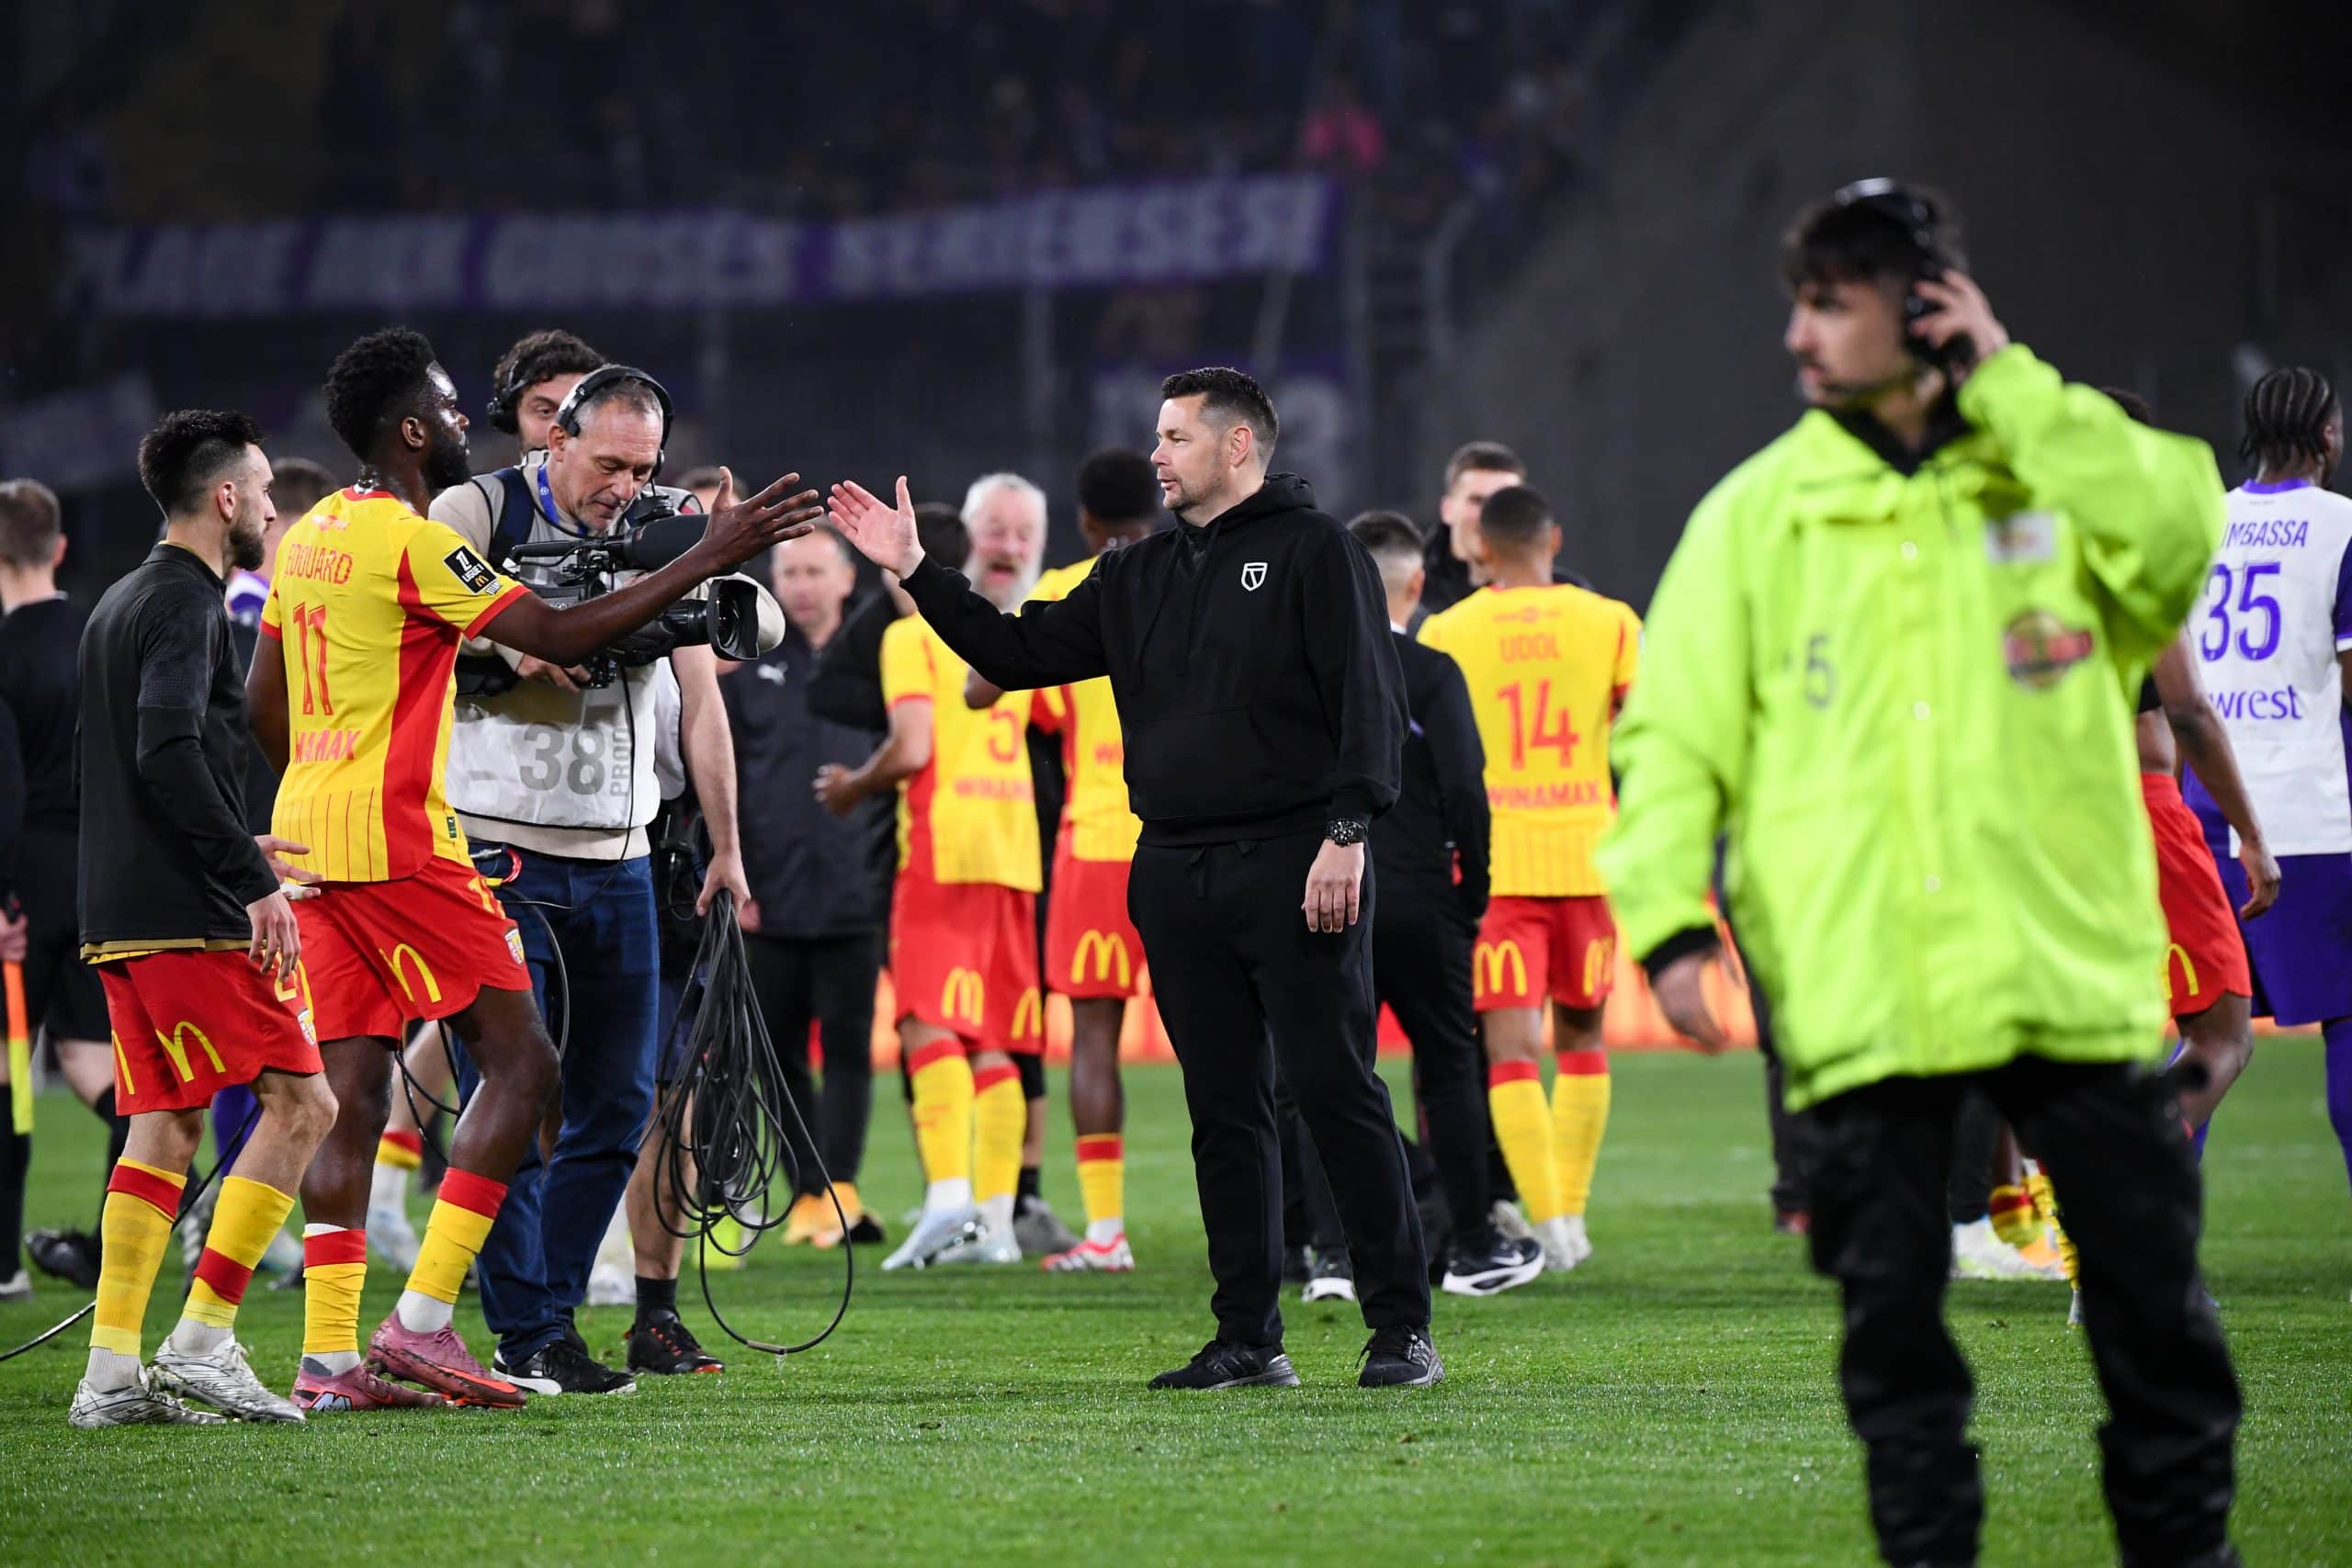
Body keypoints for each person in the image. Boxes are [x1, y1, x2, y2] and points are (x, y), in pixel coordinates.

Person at [1597, 180, 2241, 1564]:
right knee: (1895, 1363)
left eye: (1830, 302)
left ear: (1928, 306)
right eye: (1800, 302)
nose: (1798, 336)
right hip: (1863, 990)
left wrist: (2012, 381)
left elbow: (2185, 532)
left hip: (2067, 977)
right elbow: (1673, 735)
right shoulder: (1757, 514)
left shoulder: (2058, 476)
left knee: (2156, 1328)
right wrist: (1662, 921)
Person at [829, 367, 1442, 1391]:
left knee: (1335, 1088)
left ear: (1238, 446)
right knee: (1222, 1108)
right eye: (1156, 439)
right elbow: (1011, 654)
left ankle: (1400, 1329)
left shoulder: (1315, 551)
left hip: (1299, 856)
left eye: (1174, 437)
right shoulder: (1132, 574)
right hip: (1174, 867)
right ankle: (1248, 1335)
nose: (1154, 455)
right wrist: (916, 571)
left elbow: (1368, 704)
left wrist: (1347, 833)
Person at [244, 327, 816, 1413]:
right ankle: (432, 1327)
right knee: (521, 1072)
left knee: (359, 1098)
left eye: (646, 468)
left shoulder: (314, 528)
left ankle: (321, 1363)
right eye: (461, 412)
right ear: (418, 429)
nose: (479, 425)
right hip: (437, 839)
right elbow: (543, 623)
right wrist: (688, 560)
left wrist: (321, 772)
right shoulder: (436, 531)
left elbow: (261, 704)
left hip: (331, 836)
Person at [432, 360, 763, 1396]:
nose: (625, 484)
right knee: (515, 1092)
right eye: (608, 463)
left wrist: (707, 558)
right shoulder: (474, 509)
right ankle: (523, 1326)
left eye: (643, 465)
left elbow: (747, 636)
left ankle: (548, 1317)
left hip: (619, 851)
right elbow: (404, 650)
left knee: (618, 1104)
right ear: (554, 441)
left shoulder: (664, 521)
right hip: (493, 847)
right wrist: (514, 650)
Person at [68, 409, 336, 1426]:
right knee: (306, 1107)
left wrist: (237, 838)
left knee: (167, 1126)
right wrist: (250, 876)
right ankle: (204, 1340)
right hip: (189, 915)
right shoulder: (186, 602)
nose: (271, 506)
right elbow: (167, 748)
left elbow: (146, 766)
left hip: (123, 910)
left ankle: (108, 1379)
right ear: (225, 499)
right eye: (263, 490)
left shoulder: (118, 600)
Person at [819, 478, 1048, 1272]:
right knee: (994, 1039)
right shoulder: (1004, 633)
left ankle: (949, 1200)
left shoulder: (908, 637)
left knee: (925, 1020)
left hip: (944, 848)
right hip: (1015, 854)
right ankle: (997, 1218)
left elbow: (914, 745)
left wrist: (853, 784)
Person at [1419, 483, 1637, 1273]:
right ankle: (1571, 1216)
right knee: (1583, 1037)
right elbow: (1641, 738)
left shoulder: (1448, 628)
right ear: (1556, 538)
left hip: (1497, 864)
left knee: (1510, 1047)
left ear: (1480, 548)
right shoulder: (1613, 622)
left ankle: (1545, 1219)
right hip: (1589, 852)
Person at [1344, 512, 1541, 1295]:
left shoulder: (1313, 671)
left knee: (1333, 1069)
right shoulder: (1431, 672)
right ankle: (1473, 1240)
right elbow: (1466, 791)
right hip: (1426, 899)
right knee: (1451, 1066)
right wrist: (1475, 889)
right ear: (1418, 584)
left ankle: (1334, 1252)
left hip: (1337, 895)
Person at [2185, 367, 2352, 1201]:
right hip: (2315, 818)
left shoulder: (2199, 521)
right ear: (2327, 435)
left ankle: (2123, 1249)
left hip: (2203, 813)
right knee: (2349, 1022)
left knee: (2201, 1034)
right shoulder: (2342, 527)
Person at [725, 525, 888, 1252]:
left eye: (816, 570)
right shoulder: (750, 669)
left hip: (859, 889)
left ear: (847, 579)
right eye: (790, 571)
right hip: (771, 895)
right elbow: (720, 781)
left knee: (850, 1047)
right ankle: (809, 1189)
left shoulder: (881, 662)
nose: (802, 584)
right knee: (776, 1052)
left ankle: (841, 1188)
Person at [1023, 448, 1159, 1273]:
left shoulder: (1060, 592)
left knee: (1096, 1040)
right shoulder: (1199, 571)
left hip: (1096, 842)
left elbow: (1006, 699)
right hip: (1189, 837)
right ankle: (1266, 1225)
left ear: (1083, 521)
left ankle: (1106, 1231)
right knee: (1228, 1038)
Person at [0, 477, 122, 1299]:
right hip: (98, 880)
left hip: (19, 885)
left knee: (8, 1072)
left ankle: (4, 1262)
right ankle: (131, 1235)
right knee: (94, 1068)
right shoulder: (97, 636)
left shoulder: (4, 651)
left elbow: (3, 786)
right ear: (61, 548)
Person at [1416, 442, 1526, 622]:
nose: (1490, 515)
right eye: (1477, 501)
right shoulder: (1407, 593)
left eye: (1503, 502)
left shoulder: (1558, 595)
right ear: (1447, 510)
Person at [483, 328, 606, 461]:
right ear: (512, 418)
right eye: (545, 411)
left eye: (576, 412)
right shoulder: (482, 483)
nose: (560, 431)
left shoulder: (627, 482)